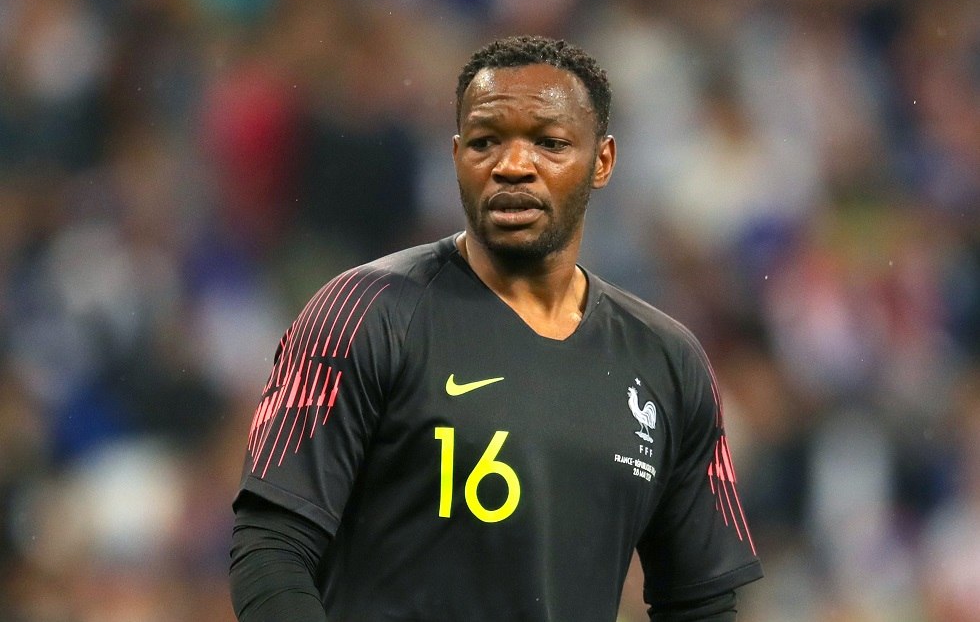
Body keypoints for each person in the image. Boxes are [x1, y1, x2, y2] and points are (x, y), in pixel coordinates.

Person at [229, 35, 762, 621]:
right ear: (457, 156)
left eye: (550, 143)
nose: (512, 166)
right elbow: (271, 549)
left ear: (602, 161)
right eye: (485, 142)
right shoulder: (362, 313)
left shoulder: (668, 363)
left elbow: (701, 603)